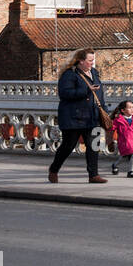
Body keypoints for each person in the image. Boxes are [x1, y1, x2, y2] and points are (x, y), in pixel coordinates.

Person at [48, 48, 109, 184]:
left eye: (93, 60)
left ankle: (93, 175)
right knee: (68, 146)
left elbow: (99, 95)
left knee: (94, 145)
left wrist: (104, 110)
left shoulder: (94, 73)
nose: (92, 63)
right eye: (90, 60)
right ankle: (54, 169)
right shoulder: (70, 74)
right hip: (73, 117)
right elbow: (65, 94)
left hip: (92, 116)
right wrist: (87, 90)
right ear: (81, 61)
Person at [110, 100, 133, 178]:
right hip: (125, 142)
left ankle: (130, 171)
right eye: (129, 108)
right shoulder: (118, 120)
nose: (132, 109)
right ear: (123, 110)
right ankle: (115, 165)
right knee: (124, 157)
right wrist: (107, 123)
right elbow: (111, 128)